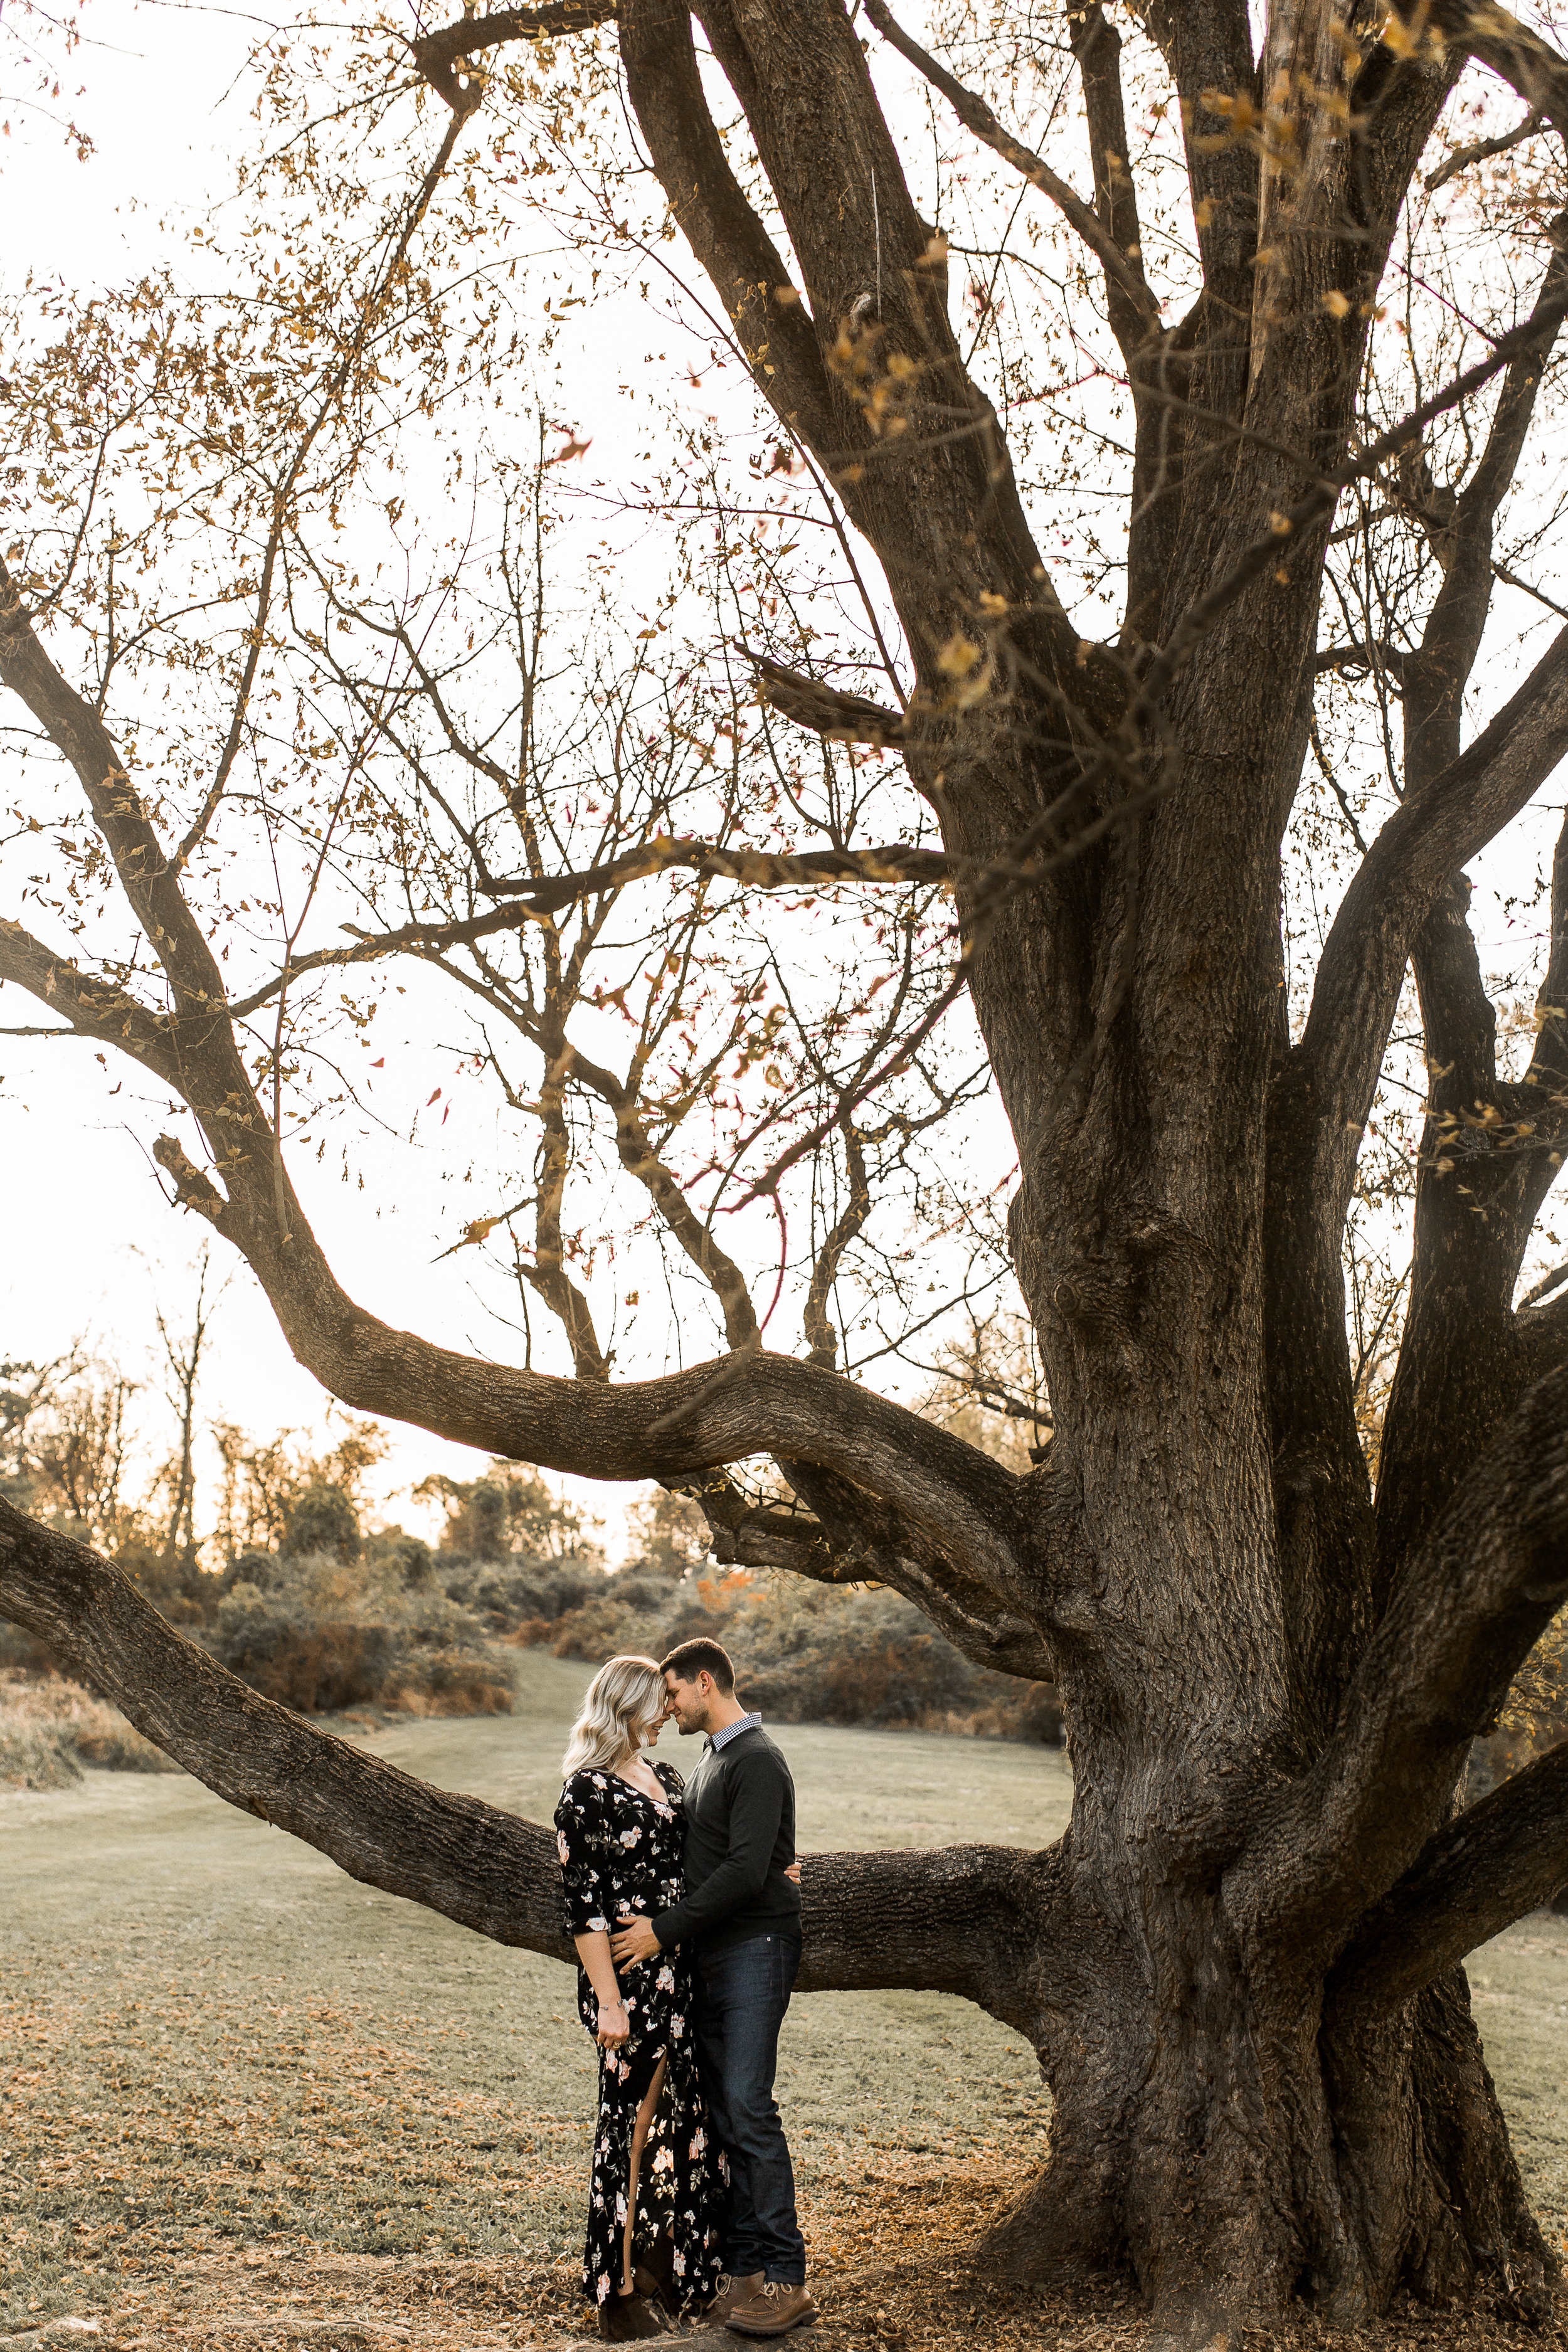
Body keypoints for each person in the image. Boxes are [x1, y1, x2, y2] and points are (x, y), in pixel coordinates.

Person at [610, 1638, 816, 2340]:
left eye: (672, 1693)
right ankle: (749, 2274)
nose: (667, 1706)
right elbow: (724, 1854)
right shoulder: (712, 1759)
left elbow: (743, 1871)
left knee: (749, 2111)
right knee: (729, 2116)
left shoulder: (756, 1758)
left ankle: (787, 2281)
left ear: (705, 1682)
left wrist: (660, 1931)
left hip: (755, 1951)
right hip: (717, 1956)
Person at [554, 1654, 724, 2340]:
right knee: (629, 2126)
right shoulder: (584, 1793)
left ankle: (664, 2266)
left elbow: (702, 1862)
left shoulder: (665, 1776)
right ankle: (615, 2288)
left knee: (681, 2122)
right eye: (657, 1702)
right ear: (625, 1707)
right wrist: (612, 2004)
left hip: (683, 1972)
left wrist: (772, 1869)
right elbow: (584, 1911)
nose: (667, 1712)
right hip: (630, 1983)